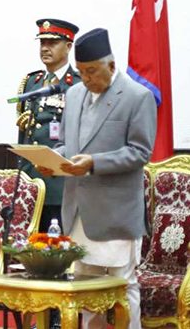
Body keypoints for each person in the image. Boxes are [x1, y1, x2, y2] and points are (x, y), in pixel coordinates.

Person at [39, 28, 155, 329]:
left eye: (92, 71)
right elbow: (67, 144)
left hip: (116, 211)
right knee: (85, 286)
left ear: (111, 65)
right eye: (81, 71)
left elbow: (140, 152)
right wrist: (53, 160)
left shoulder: (137, 96)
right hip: (78, 209)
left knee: (122, 285)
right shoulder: (74, 94)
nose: (86, 78)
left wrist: (94, 163)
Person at [16, 18, 80, 232]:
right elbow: (25, 133)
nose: (45, 48)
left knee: (55, 245)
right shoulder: (31, 82)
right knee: (26, 247)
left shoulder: (79, 85)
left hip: (59, 185)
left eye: (52, 43)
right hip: (29, 183)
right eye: (42, 42)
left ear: (68, 46)